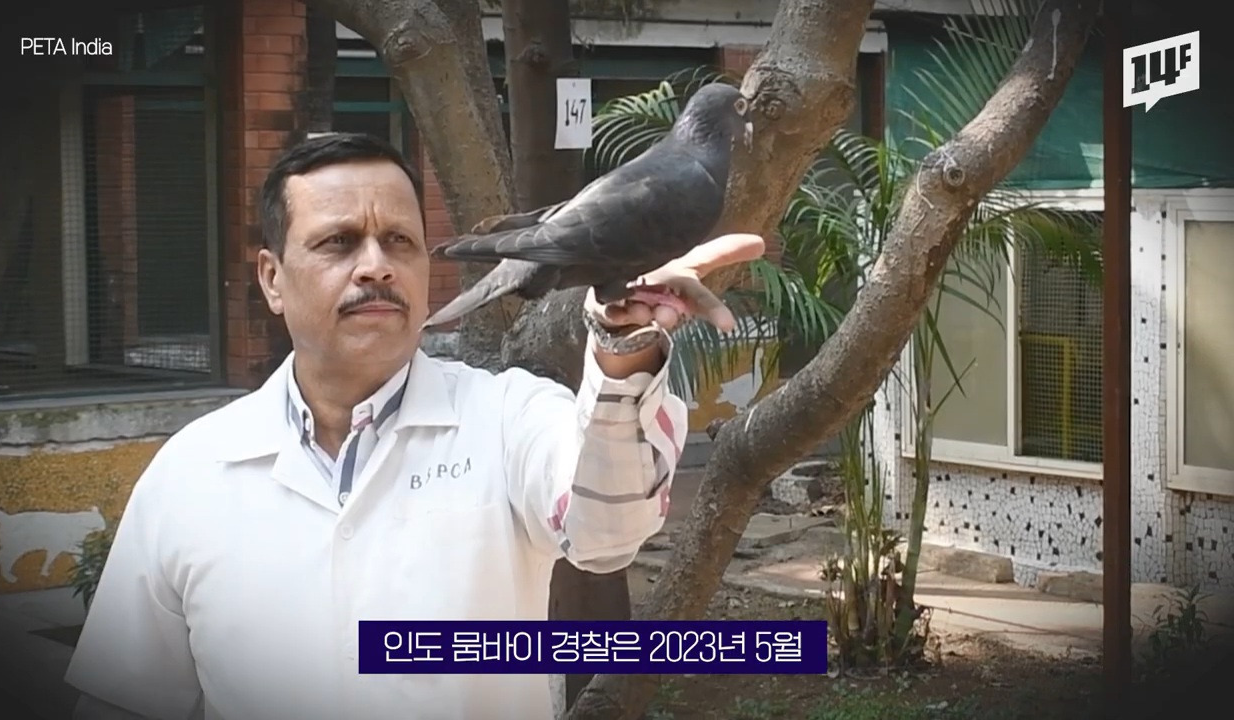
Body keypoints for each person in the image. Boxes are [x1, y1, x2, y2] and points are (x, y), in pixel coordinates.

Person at [63, 132, 765, 720]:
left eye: (398, 241)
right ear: (272, 279)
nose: (375, 266)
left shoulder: (509, 419)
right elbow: (121, 697)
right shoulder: (191, 471)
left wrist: (623, 346)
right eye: (338, 242)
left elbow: (606, 530)